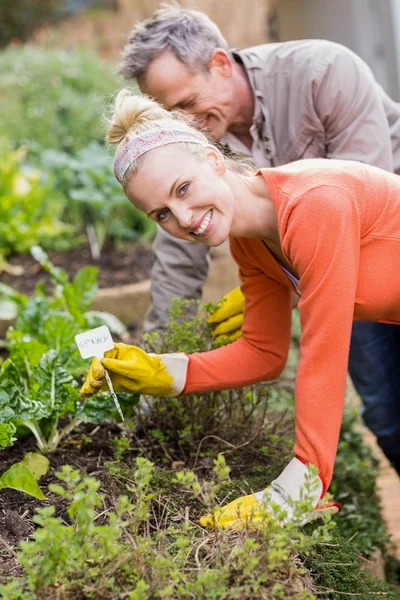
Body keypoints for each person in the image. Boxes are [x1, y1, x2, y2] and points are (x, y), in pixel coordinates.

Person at [83, 90, 400, 528]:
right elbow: (264, 353)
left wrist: (300, 489)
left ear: (213, 160)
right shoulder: (250, 245)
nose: (184, 219)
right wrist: (163, 371)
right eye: (162, 214)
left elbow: (323, 355)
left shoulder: (315, 205)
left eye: (184, 189)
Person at [120, 6, 400, 476]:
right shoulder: (225, 215)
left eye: (187, 104)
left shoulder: (322, 72)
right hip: (329, 269)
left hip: (370, 238)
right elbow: (181, 261)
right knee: (387, 414)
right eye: (171, 114)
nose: (183, 122)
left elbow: (349, 205)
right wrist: (159, 364)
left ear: (221, 65)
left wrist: (301, 486)